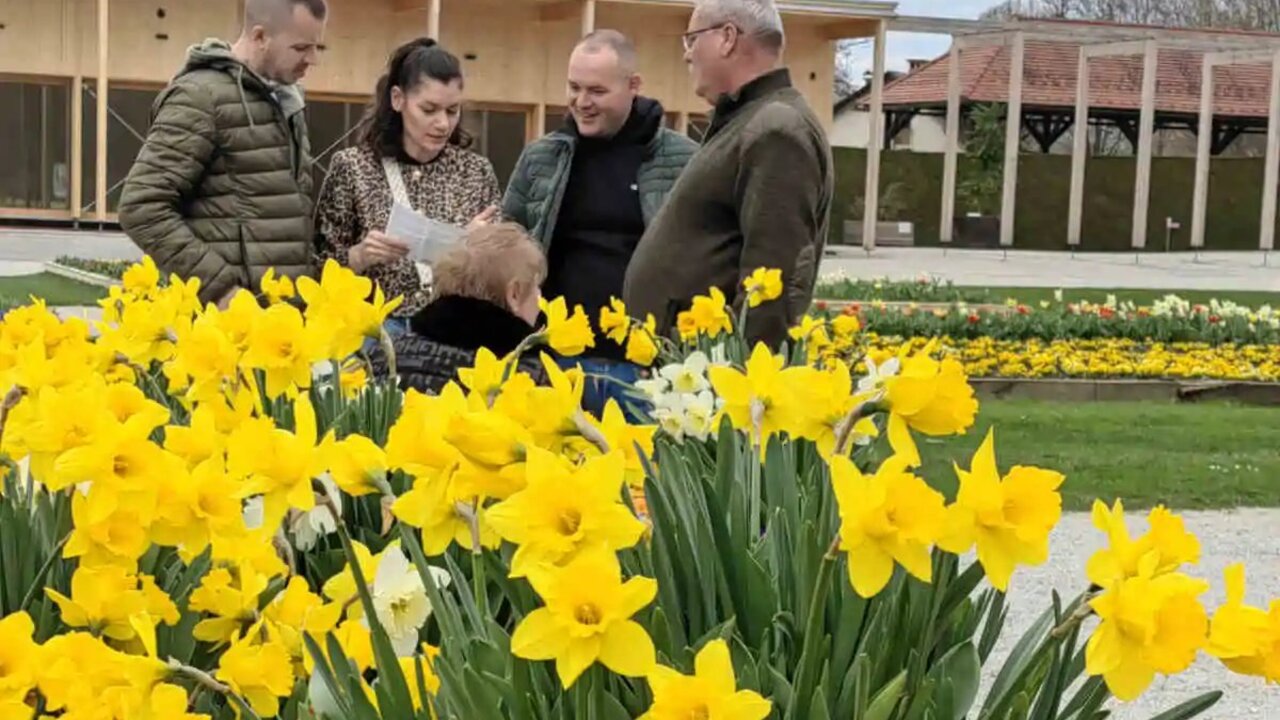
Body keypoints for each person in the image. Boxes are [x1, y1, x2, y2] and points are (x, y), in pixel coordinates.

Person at [503, 29, 697, 417]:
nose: (581, 102)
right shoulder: (542, 158)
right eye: (574, 87)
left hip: (643, 370)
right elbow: (510, 240)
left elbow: (702, 256)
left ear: (633, 86)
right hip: (553, 363)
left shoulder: (683, 160)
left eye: (596, 91)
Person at [623, 0, 834, 348]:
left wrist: (739, 383)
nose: (686, 55)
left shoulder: (775, 128)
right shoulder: (746, 121)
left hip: (713, 384)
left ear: (727, 38)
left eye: (691, 40)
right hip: (688, 371)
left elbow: (774, 284)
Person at [119, 0, 327, 308]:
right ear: (259, 37)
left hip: (283, 330)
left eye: (317, 47)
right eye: (300, 47)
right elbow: (141, 208)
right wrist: (220, 289)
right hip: (227, 335)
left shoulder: (287, 102)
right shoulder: (200, 97)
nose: (312, 59)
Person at [314, 38, 501, 342]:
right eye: (429, 109)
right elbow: (316, 269)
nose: (442, 123)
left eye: (452, 111)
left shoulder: (476, 172)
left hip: (452, 334)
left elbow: (500, 277)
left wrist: (479, 250)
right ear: (398, 99)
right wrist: (359, 256)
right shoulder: (353, 167)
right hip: (376, 332)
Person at [369, 223, 548, 396]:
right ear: (514, 294)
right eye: (536, 286)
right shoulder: (528, 378)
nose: (540, 297)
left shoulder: (383, 355)